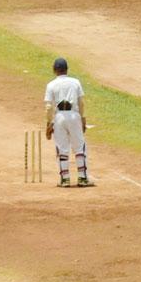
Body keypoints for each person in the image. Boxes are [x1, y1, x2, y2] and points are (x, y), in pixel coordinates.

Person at [45, 57, 90, 187]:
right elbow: (81, 102)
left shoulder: (51, 85)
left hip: (59, 117)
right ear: (67, 69)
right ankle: (82, 178)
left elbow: (48, 107)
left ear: (54, 70)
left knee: (62, 148)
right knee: (79, 147)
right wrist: (82, 118)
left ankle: (65, 179)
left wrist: (49, 123)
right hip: (74, 115)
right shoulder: (75, 82)